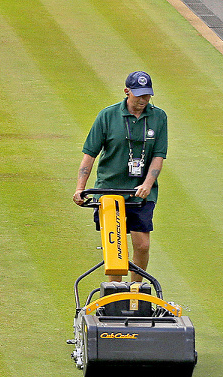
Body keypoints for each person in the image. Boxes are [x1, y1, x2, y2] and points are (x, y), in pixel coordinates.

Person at [73, 71, 168, 282]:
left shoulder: (159, 117)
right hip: (109, 190)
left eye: (147, 96)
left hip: (141, 192)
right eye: (139, 95)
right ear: (127, 92)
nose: (143, 100)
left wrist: (147, 184)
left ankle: (135, 290)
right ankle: (115, 291)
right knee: (116, 247)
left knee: (142, 245)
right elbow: (89, 155)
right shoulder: (107, 116)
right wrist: (80, 188)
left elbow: (159, 156)